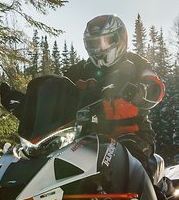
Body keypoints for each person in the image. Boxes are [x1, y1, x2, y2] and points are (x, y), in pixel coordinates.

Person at [63, 14, 166, 177]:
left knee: (129, 166)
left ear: (119, 39)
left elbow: (156, 87)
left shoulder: (137, 63)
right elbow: (58, 88)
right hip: (90, 138)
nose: (99, 48)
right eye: (94, 43)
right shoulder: (81, 71)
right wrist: (27, 102)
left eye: (104, 41)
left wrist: (138, 91)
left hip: (134, 134)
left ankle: (157, 199)